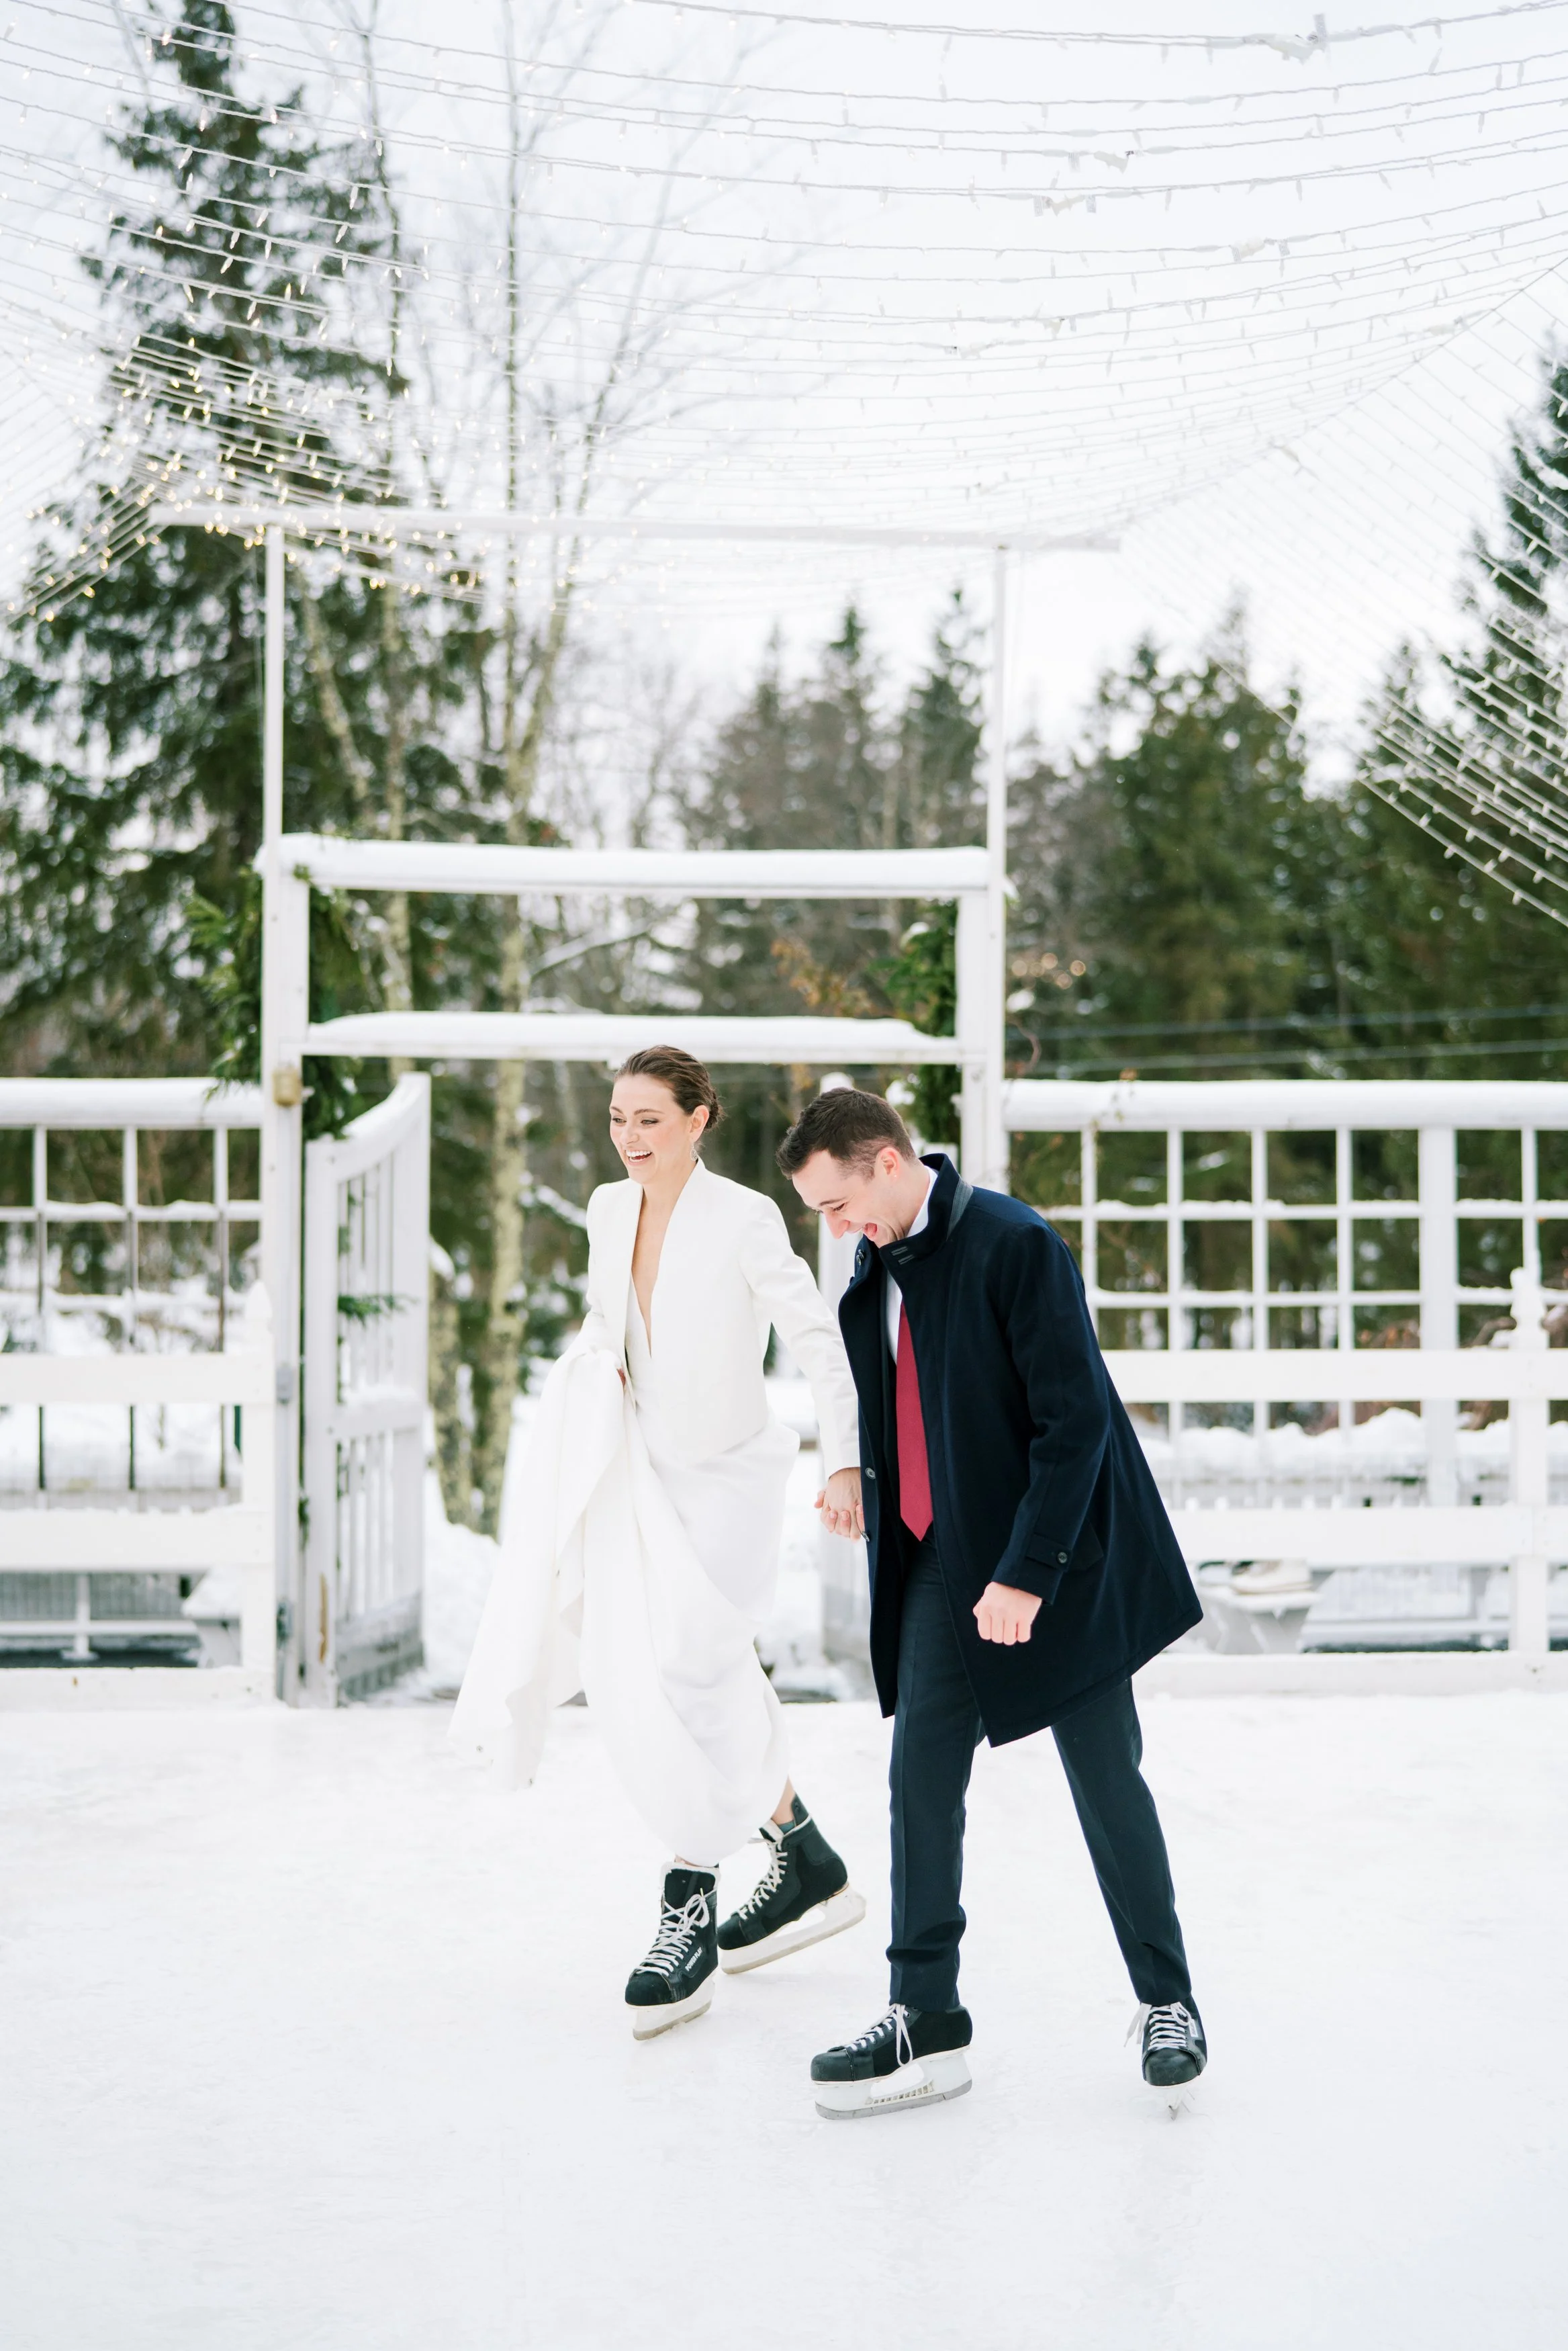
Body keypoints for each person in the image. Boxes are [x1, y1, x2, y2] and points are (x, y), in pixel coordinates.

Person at [778, 1086, 1207, 2120]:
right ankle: (923, 2016)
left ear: (883, 1160)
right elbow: (899, 1401)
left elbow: (1074, 1426)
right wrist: (860, 1481)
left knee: (1106, 1782)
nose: (835, 1230)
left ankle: (1168, 2003)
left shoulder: (1016, 1245)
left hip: (1054, 1560)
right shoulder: (874, 1260)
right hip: (933, 1555)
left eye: (836, 1205)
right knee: (918, 1780)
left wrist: (1025, 1572)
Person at [453, 1046, 866, 2041]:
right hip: (637, 1471)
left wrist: (843, 1461)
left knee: (694, 1671)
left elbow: (815, 1337)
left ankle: (685, 1907)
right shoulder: (604, 1210)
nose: (630, 1138)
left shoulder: (745, 1218)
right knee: (690, 1676)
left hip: (727, 1478)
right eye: (617, 1120)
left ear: (698, 1118)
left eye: (649, 1118)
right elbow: (611, 1331)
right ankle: (800, 1853)